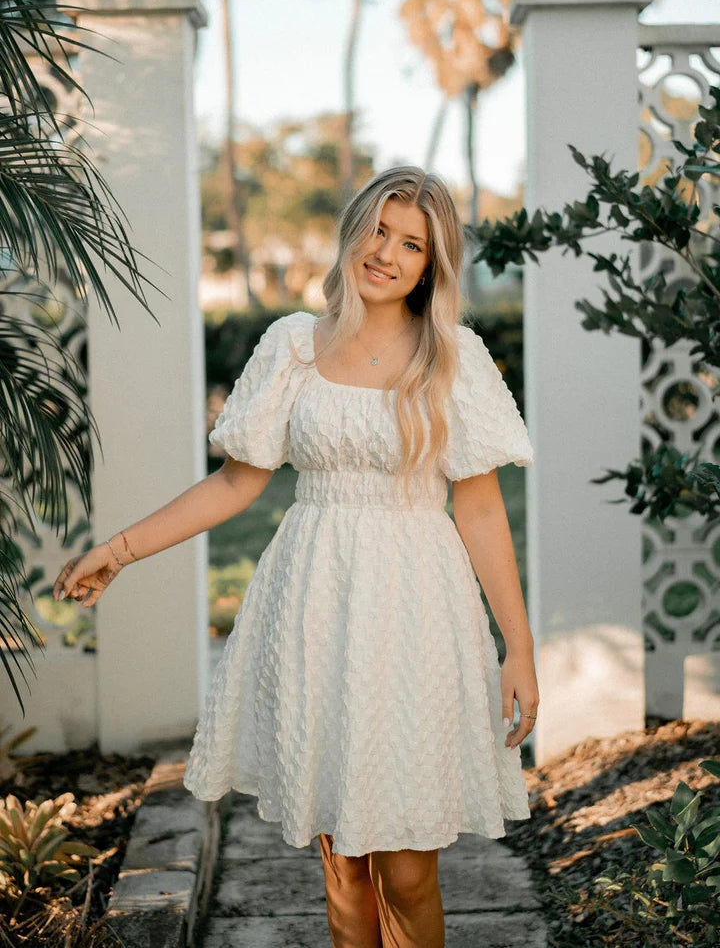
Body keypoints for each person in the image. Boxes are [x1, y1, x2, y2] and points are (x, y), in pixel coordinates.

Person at [53, 166, 539, 948]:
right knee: (343, 862)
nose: (386, 252)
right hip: (313, 603)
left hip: (416, 608)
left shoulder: (453, 357)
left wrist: (517, 645)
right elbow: (236, 481)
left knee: (408, 870)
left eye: (410, 243)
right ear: (353, 231)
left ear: (431, 264)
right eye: (378, 229)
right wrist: (120, 549)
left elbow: (479, 507)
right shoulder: (292, 347)